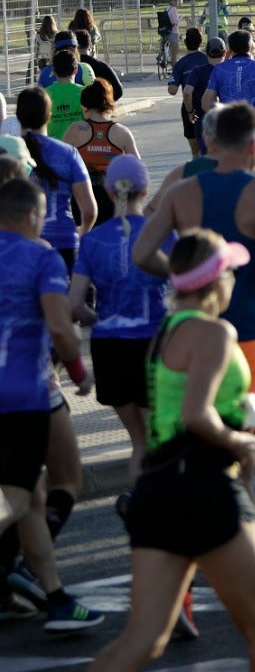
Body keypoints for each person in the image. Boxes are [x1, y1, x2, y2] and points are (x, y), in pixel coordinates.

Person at [87, 229, 255, 672]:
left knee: (144, 641)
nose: (235, 278)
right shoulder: (215, 333)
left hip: (158, 490)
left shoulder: (165, 334)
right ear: (216, 281)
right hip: (206, 487)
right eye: (231, 271)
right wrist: (239, 440)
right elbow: (198, 415)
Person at [133, 103, 255, 410]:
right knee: (247, 430)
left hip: (191, 329)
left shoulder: (181, 191)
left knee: (201, 420)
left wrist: (188, 277)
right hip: (249, 327)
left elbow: (141, 253)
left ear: (212, 142)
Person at [0, 177, 102, 632]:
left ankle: (55, 597)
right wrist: (80, 375)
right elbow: (62, 330)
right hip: (23, 396)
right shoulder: (41, 256)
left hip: (19, 394)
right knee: (18, 498)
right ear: (31, 216)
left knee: (35, 500)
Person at [68, 155, 168, 488]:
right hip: (156, 343)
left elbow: (74, 304)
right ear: (146, 188)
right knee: (160, 439)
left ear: (109, 193)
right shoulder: (163, 234)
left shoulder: (93, 240)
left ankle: (141, 511)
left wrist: (101, 319)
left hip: (110, 346)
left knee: (139, 442)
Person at [16, 86, 97, 268]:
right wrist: (81, 232)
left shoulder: (10, 153)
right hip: (63, 242)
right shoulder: (68, 153)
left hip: (20, 245)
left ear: (18, 116)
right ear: (49, 115)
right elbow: (90, 210)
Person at [63, 79, 138, 227]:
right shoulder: (121, 132)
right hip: (112, 197)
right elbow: (137, 169)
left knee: (84, 240)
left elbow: (60, 162)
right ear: (108, 104)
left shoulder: (76, 129)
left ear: (84, 107)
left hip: (82, 196)